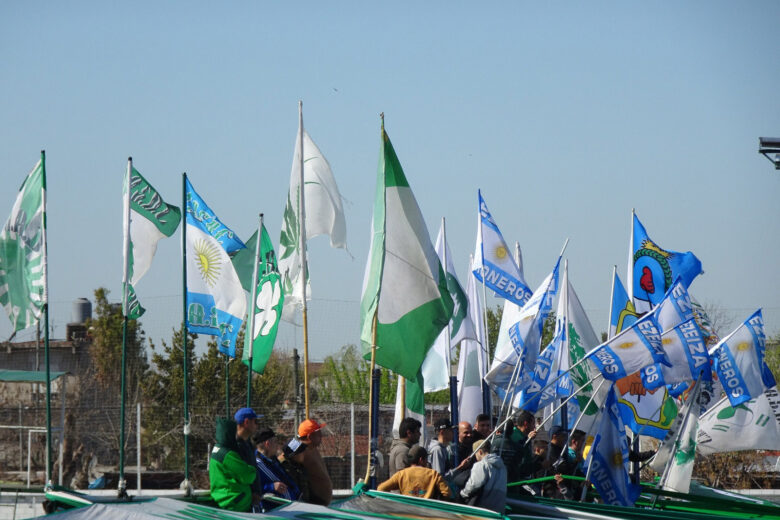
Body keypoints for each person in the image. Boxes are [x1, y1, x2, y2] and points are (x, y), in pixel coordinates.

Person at [209, 417, 258, 512]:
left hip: (222, 499)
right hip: (234, 503)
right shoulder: (228, 454)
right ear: (229, 434)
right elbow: (248, 476)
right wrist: (252, 468)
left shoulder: (216, 449)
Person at [378, 445, 451, 499]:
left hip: (408, 513)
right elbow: (447, 493)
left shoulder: (401, 474)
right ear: (421, 459)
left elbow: (381, 488)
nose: (427, 462)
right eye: (426, 459)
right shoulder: (433, 474)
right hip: (428, 514)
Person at [252, 428, 299, 512]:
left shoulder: (273, 460)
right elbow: (253, 488)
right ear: (267, 444)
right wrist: (271, 487)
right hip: (276, 512)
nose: (278, 446)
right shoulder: (258, 464)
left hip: (291, 507)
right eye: (275, 442)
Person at [460, 440, 507, 513]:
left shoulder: (481, 465)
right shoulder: (502, 466)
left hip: (483, 510)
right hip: (498, 510)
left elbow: (474, 485)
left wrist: (463, 493)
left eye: (475, 453)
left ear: (480, 452)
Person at [298, 418, 333, 505]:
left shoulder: (312, 448)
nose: (321, 435)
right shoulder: (302, 451)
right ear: (310, 436)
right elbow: (282, 458)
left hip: (321, 503)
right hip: (314, 503)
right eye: (318, 433)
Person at [279, 437, 311, 503]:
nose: (303, 454)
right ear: (293, 455)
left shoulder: (301, 466)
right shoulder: (284, 468)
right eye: (300, 451)